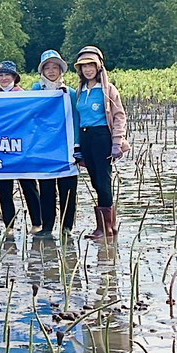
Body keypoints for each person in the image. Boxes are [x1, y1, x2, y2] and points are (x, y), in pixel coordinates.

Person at [73, 46, 129, 239]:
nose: (88, 69)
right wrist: (78, 146)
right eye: (84, 66)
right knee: (96, 181)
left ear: (98, 67)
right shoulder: (80, 91)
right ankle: (107, 227)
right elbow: (78, 119)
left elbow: (119, 115)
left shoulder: (108, 90)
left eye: (91, 65)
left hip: (102, 137)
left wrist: (117, 142)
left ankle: (105, 229)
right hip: (86, 137)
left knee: (104, 181)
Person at [29, 50, 80, 237]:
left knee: (68, 190)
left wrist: (77, 145)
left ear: (61, 70)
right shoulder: (34, 92)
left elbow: (75, 119)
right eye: (47, 67)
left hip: (66, 149)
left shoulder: (71, 93)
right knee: (46, 190)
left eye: (55, 67)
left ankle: (67, 228)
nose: (51, 71)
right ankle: (47, 226)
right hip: (44, 149)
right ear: (42, 70)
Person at [0, 60, 42, 236]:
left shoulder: (25, 97)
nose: (4, 78)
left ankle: (37, 223)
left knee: (29, 186)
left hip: (22, 149)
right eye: (1, 75)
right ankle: (9, 226)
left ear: (14, 77)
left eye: (7, 75)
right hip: (0, 149)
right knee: (4, 189)